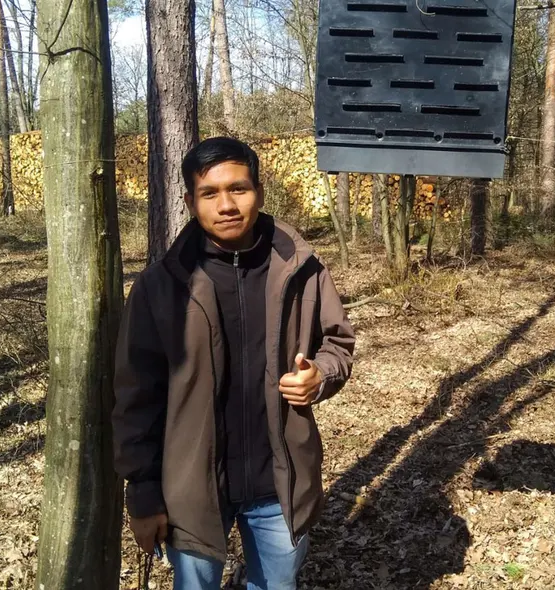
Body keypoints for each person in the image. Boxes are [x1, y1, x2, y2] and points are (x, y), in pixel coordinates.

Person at [112, 137, 355, 590]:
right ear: (189, 201)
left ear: (259, 192)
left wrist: (321, 375)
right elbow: (135, 398)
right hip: (192, 487)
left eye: (238, 189)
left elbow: (338, 343)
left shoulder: (302, 269)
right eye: (210, 193)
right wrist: (142, 492)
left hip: (279, 483)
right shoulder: (160, 287)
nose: (226, 204)